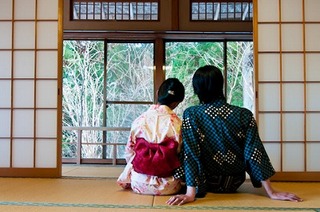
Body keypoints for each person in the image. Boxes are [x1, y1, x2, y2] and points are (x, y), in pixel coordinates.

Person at [166, 65, 303, 205]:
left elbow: (191, 153)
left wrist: (190, 194)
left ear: (197, 88)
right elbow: (254, 152)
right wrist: (271, 192)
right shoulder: (244, 114)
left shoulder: (192, 114)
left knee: (181, 147)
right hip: (234, 182)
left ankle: (184, 188)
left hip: (204, 182)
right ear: (221, 85)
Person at [117, 78, 185, 195]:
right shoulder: (178, 124)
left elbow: (129, 153)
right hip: (168, 186)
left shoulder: (139, 121)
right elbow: (179, 153)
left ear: (158, 92)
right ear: (177, 103)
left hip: (138, 183)